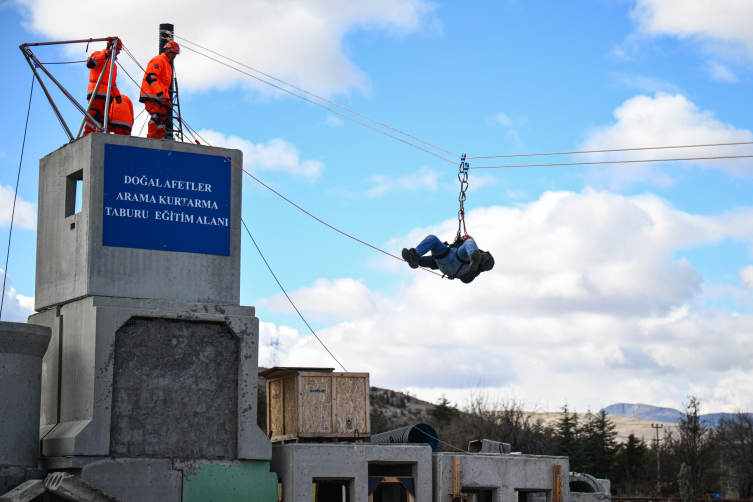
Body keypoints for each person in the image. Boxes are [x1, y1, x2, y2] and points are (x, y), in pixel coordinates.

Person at [402, 235, 494, 283]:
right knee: (432, 238)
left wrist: (482, 258)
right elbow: (430, 261)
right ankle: (415, 255)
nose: (464, 237)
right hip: (449, 259)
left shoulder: (473, 250)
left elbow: (490, 263)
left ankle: (473, 258)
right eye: (462, 237)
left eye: (465, 237)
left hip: (462, 264)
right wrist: (417, 261)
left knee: (469, 242)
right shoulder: (450, 248)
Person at [140, 41, 180, 139]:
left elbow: (164, 85)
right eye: (173, 53)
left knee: (164, 119)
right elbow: (150, 77)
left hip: (160, 96)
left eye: (175, 53)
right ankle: (151, 139)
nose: (174, 55)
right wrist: (160, 94)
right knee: (157, 117)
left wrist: (167, 100)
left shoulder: (168, 65)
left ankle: (157, 139)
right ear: (167, 50)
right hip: (152, 95)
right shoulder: (159, 60)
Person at [84, 40, 122, 135]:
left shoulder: (114, 65)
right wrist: (105, 55)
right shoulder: (98, 54)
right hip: (97, 92)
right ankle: (86, 135)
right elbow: (90, 64)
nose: (119, 52)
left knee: (103, 119)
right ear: (113, 47)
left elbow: (113, 83)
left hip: (107, 95)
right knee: (92, 114)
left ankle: (100, 136)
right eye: (118, 49)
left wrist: (117, 95)